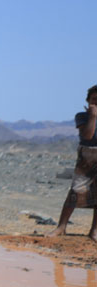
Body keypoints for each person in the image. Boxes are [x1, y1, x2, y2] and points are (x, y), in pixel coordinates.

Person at [46, 85, 97, 241]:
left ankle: (94, 231)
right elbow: (87, 136)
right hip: (87, 156)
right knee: (76, 190)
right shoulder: (82, 116)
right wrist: (93, 117)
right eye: (94, 99)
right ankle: (61, 227)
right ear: (88, 101)